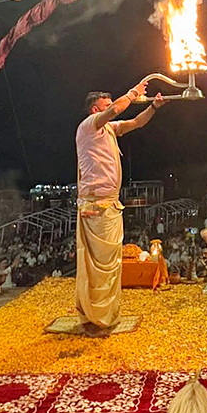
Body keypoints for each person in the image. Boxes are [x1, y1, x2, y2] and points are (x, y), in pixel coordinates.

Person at [75, 84, 165, 336]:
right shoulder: (89, 126)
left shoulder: (109, 130)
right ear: (95, 110)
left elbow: (135, 122)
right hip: (95, 206)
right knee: (100, 264)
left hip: (111, 204)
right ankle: (96, 315)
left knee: (111, 263)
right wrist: (134, 91)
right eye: (106, 105)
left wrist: (154, 107)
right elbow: (116, 109)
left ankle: (105, 315)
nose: (111, 108)